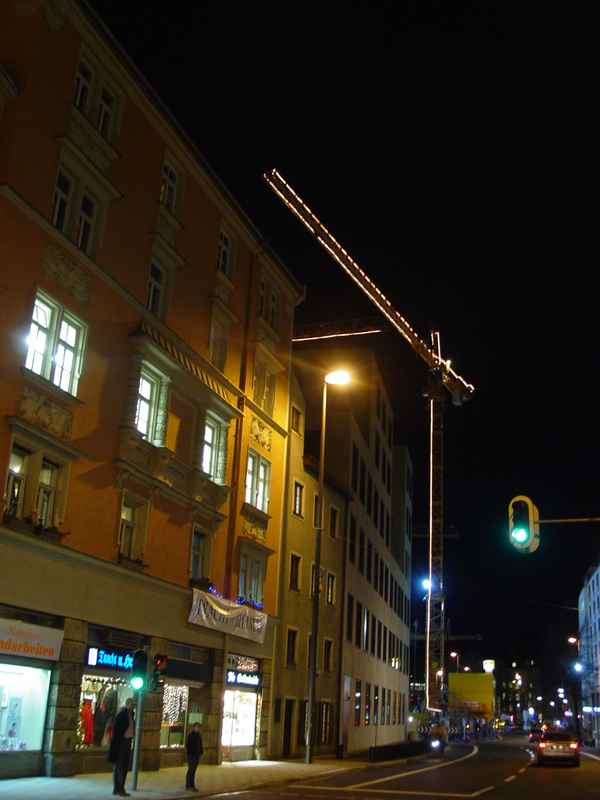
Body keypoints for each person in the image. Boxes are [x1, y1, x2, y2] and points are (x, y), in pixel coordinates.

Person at [108, 697, 135, 797]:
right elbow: (117, 730)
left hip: (127, 741)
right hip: (122, 742)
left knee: (121, 766)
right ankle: (119, 788)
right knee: (121, 767)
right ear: (128, 704)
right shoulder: (122, 715)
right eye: (132, 704)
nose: (134, 706)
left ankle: (117, 788)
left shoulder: (131, 714)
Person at [185, 722, 203, 792]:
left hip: (196, 755)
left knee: (193, 771)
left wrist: (201, 753)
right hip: (191, 755)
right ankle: (189, 785)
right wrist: (191, 753)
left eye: (198, 728)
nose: (197, 729)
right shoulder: (190, 735)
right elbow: (188, 745)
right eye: (196, 727)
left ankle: (191, 785)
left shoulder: (199, 735)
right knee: (191, 770)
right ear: (194, 727)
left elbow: (200, 745)